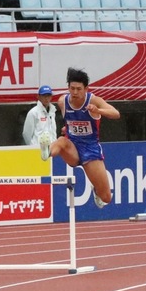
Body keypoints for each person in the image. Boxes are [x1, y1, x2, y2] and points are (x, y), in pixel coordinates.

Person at [49, 68, 121, 208]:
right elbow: (69, 122)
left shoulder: (94, 100)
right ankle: (47, 151)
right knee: (61, 141)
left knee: (106, 198)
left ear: (86, 89)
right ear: (68, 87)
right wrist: (67, 129)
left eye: (79, 89)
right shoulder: (62, 101)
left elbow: (116, 113)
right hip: (73, 147)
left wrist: (98, 111)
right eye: (72, 88)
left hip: (90, 149)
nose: (75, 92)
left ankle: (97, 190)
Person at [22, 85, 57, 160]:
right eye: (44, 96)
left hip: (51, 150)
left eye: (48, 95)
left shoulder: (52, 111)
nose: (46, 98)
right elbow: (26, 133)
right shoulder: (33, 112)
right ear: (38, 97)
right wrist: (33, 147)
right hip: (37, 150)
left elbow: (53, 131)